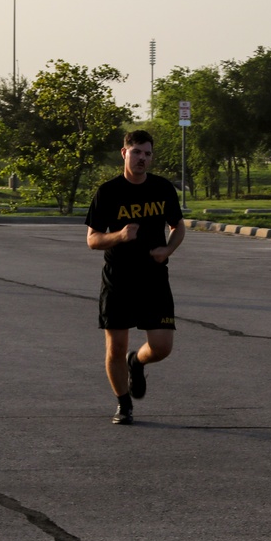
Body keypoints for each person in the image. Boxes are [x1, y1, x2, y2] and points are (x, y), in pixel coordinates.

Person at [85, 130, 185, 425]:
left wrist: (167, 249)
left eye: (147, 153)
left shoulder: (163, 188)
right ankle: (123, 404)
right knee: (115, 346)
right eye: (137, 152)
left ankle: (136, 361)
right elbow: (92, 240)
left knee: (162, 346)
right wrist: (119, 235)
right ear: (124, 153)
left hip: (154, 277)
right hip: (119, 279)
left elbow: (178, 227)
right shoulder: (108, 192)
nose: (142, 158)